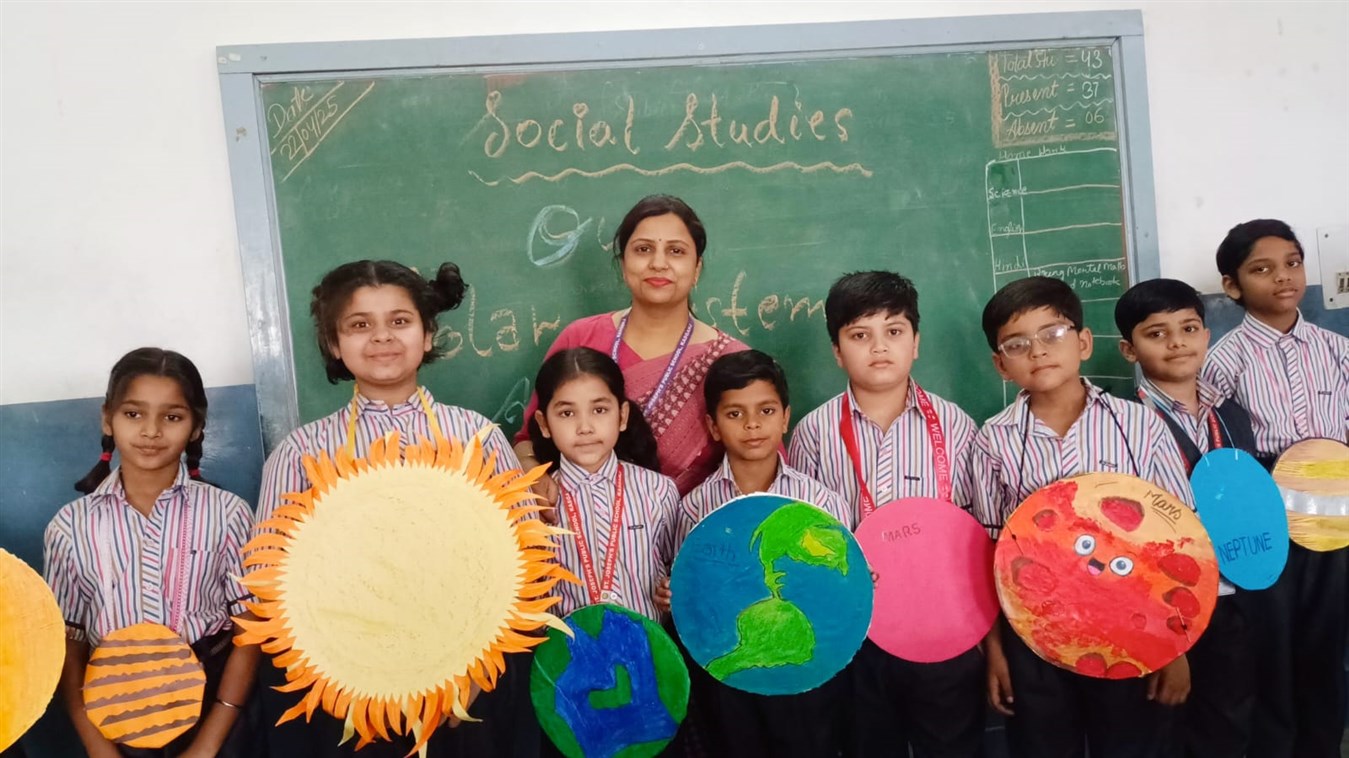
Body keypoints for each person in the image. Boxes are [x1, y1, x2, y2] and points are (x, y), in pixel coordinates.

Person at [254, 260, 537, 757]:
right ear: (334, 344)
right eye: (360, 324)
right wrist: (351, 682)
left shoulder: (477, 437)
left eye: (399, 321)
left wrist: (472, 674)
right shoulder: (301, 453)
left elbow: (524, 560)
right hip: (348, 691)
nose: (382, 336)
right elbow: (271, 583)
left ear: (427, 335)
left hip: (468, 683)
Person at [972, 276, 1194, 758]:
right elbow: (990, 551)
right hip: (1034, 634)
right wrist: (996, 651)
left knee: (1130, 743)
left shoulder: (1139, 426)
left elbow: (1177, 540)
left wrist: (1174, 646)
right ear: (1000, 364)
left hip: (1131, 625)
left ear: (1085, 342)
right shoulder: (993, 441)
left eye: (1053, 334)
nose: (1038, 351)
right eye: (1017, 344)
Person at [787, 271, 984, 758]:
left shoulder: (957, 425)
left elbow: (976, 532)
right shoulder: (813, 433)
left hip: (944, 628)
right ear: (837, 351)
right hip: (856, 637)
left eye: (894, 331)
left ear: (916, 342)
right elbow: (805, 534)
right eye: (859, 335)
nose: (879, 347)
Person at [44, 347, 259, 757]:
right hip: (113, 709)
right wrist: (97, 746)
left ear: (196, 427)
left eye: (172, 417)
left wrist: (211, 739)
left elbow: (250, 631)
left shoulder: (227, 513)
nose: (151, 431)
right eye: (133, 414)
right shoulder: (69, 526)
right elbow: (69, 644)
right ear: (107, 418)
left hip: (215, 704)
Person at [1202, 219, 1349, 758]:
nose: (1283, 277)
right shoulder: (1223, 360)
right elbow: (1213, 443)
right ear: (1233, 286)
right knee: (1271, 642)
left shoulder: (1337, 350)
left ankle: (1321, 746)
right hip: (1263, 511)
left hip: (1334, 511)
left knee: (1326, 640)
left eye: (1292, 263)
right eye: (1262, 269)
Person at [669, 349, 851, 757]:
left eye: (766, 411)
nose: (752, 424)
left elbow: (840, 587)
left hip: (808, 671)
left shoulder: (820, 503)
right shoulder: (695, 508)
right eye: (735, 414)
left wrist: (854, 581)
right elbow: (693, 595)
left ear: (785, 417)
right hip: (730, 673)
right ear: (713, 426)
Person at [514, 195, 748, 500]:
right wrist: (533, 473)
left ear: (696, 268)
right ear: (623, 265)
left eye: (676, 251)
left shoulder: (729, 359)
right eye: (643, 249)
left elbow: (762, 461)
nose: (658, 263)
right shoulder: (580, 338)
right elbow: (526, 439)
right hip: (577, 521)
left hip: (697, 522)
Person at [1115, 278, 1260, 758]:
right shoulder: (1121, 424)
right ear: (1129, 350)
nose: (1177, 342)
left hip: (1231, 597)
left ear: (1207, 334)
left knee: (1228, 725)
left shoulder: (1232, 415)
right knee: (1160, 729)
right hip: (1161, 604)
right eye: (1156, 333)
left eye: (1189, 328)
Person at [527, 347, 678, 622]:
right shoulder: (537, 505)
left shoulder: (658, 491)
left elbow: (675, 570)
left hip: (650, 645)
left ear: (622, 416)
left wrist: (669, 591)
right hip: (568, 647)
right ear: (544, 424)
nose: (585, 427)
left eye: (599, 410)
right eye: (567, 413)